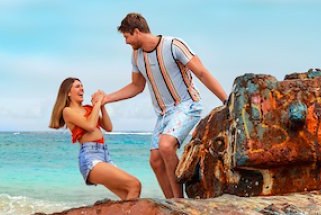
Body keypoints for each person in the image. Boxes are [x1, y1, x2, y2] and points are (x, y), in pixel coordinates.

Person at [102, 12, 228, 199]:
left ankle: (179, 202)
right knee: (155, 161)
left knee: (166, 145)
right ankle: (170, 203)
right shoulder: (136, 56)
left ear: (136, 32)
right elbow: (136, 86)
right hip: (163, 114)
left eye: (126, 36)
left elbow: (201, 72)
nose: (126, 42)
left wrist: (226, 101)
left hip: (187, 105)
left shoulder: (173, 45)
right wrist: (107, 98)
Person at [49, 77, 141, 200]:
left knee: (127, 194)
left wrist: (102, 105)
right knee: (134, 185)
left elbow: (108, 127)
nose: (82, 88)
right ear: (68, 93)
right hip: (90, 157)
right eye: (77, 86)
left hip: (104, 155)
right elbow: (90, 126)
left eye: (82, 86)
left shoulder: (89, 109)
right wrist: (97, 103)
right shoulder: (68, 111)